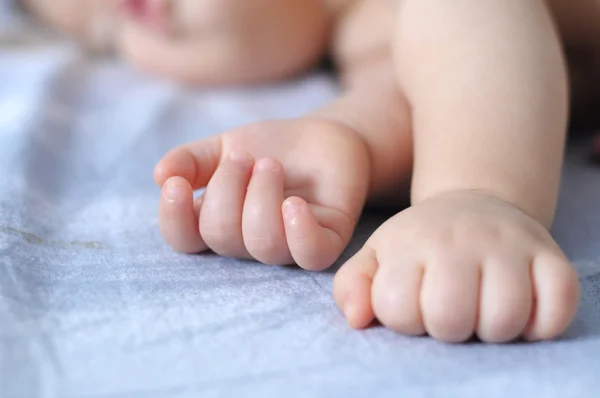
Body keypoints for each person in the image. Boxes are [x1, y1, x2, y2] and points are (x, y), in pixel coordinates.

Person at [25, 0, 600, 343]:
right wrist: (349, 141)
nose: (132, 15)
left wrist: (474, 192)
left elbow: (472, 19)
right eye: (110, 30)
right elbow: (430, 89)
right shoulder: (363, 30)